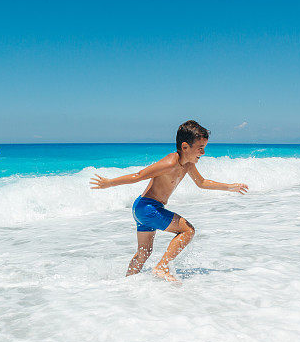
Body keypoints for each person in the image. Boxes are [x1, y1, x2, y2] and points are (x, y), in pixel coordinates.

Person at [89, 120, 249, 282]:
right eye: (200, 148)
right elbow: (139, 175)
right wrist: (109, 183)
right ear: (185, 147)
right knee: (188, 230)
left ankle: (125, 282)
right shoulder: (170, 163)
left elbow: (202, 183)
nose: (203, 152)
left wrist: (229, 187)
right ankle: (162, 266)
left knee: (144, 253)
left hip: (143, 209)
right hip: (148, 207)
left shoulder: (188, 164)